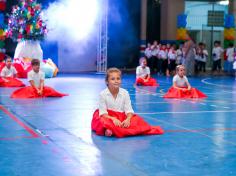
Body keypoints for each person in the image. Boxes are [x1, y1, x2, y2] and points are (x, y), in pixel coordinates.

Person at [91, 68, 164, 137]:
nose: (116, 81)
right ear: (107, 81)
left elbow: (129, 110)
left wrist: (128, 119)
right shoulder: (103, 94)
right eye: (113, 79)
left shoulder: (125, 93)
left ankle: (114, 130)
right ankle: (108, 129)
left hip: (122, 117)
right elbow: (103, 113)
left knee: (138, 120)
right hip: (108, 117)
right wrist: (113, 119)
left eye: (118, 79)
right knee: (101, 120)